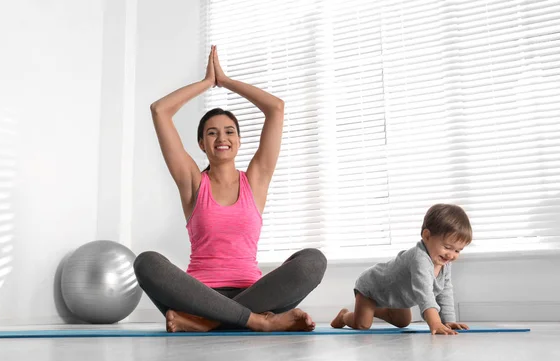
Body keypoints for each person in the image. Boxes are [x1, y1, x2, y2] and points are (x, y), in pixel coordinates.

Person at [134, 46, 327, 332]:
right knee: (146, 262)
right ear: (201, 144)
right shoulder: (192, 182)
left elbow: (275, 108)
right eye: (211, 133)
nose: (221, 138)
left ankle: (209, 323)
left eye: (229, 131)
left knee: (313, 261)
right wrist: (205, 84)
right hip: (198, 296)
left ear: (238, 140)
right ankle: (254, 322)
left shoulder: (256, 180)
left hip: (255, 294)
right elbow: (160, 111)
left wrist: (225, 81)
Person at [331, 204, 471, 335]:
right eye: (447, 247)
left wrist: (448, 321)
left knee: (402, 322)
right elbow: (424, 294)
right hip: (373, 288)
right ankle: (344, 316)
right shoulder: (419, 258)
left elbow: (445, 290)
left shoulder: (444, 262)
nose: (451, 255)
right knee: (362, 324)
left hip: (397, 296)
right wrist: (435, 322)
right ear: (427, 236)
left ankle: (371, 310)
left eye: (458, 250)